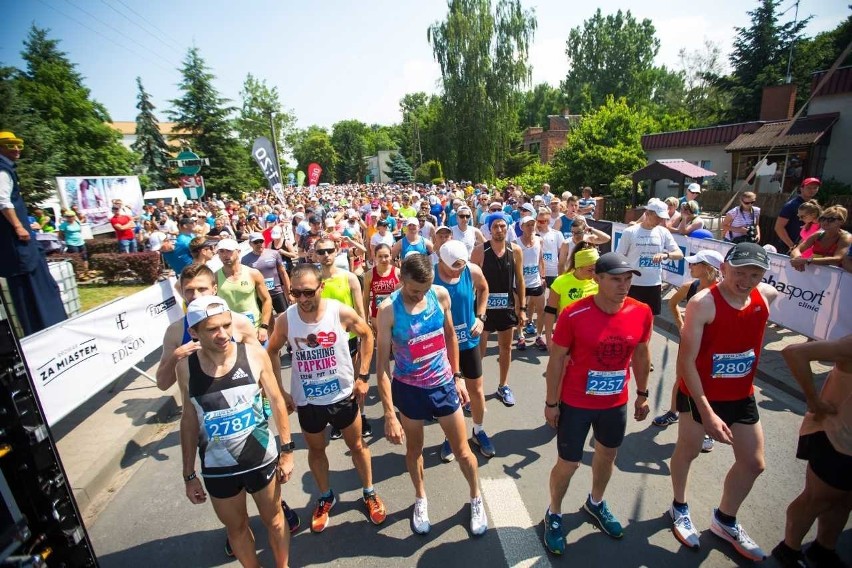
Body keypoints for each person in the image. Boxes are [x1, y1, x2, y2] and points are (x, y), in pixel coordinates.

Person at [668, 242, 779, 561]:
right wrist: (707, 413)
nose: (745, 280)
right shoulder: (703, 303)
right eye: (739, 272)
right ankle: (678, 506)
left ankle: (725, 519)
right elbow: (687, 361)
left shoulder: (766, 296)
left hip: (741, 396)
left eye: (755, 274)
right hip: (700, 394)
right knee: (687, 451)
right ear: (725, 267)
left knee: (754, 463)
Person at [542, 252, 653, 555]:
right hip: (576, 402)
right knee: (569, 463)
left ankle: (596, 503)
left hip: (615, 402)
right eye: (616, 279)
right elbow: (556, 361)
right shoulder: (574, 314)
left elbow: (642, 354)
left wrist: (643, 393)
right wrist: (552, 403)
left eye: (628, 279)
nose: (624, 285)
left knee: (607, 455)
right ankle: (554, 512)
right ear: (597, 278)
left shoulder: (641, 311)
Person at [265, 263, 387, 534]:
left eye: (308, 292)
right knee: (316, 450)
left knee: (356, 446)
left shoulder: (338, 311)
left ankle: (368, 492)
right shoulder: (286, 319)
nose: (302, 299)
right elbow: (271, 351)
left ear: (321, 287)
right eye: (296, 293)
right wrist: (281, 391)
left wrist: (363, 376)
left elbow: (367, 335)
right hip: (308, 400)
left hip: (342, 394)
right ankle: (325, 497)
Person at [176, 296, 294, 568]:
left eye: (226, 325)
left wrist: (287, 451)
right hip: (218, 469)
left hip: (260, 459)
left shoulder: (252, 354)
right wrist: (188, 474)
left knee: (275, 519)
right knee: (237, 529)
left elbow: (276, 400)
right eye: (212, 329)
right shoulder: (186, 367)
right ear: (193, 332)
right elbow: (189, 417)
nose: (223, 334)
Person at [375, 254, 488, 537]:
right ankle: (421, 498)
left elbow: (450, 336)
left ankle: (476, 498)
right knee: (414, 451)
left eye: (424, 290)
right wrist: (389, 413)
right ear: (401, 280)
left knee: (462, 451)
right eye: (414, 290)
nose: (419, 296)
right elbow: (382, 368)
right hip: (410, 390)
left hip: (442, 385)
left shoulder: (438, 295)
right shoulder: (388, 310)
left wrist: (457, 376)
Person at [771, 335, 852, 568]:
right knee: (817, 498)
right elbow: (794, 352)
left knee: (844, 500)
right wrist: (813, 400)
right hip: (835, 436)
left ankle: (823, 549)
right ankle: (789, 548)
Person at [652, 249, 724, 454]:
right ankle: (673, 412)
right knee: (681, 378)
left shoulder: (723, 290)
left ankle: (708, 427)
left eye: (695, 264)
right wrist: (681, 325)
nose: (690, 267)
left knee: (707, 384)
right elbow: (673, 303)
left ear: (708, 268)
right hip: (689, 344)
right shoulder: (689, 286)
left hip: (712, 348)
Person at [0, 131, 66, 335]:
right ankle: (42, 329)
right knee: (27, 289)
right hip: (17, 248)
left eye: (19, 144)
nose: (17, 149)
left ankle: (52, 323)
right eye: (11, 145)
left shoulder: (7, 168)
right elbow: (3, 201)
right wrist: (19, 226)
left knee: (40, 281)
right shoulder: (2, 170)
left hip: (24, 247)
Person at [433, 240, 493, 462]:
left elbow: (484, 288)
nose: (459, 269)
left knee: (476, 390)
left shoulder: (471, 270)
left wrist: (481, 316)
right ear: (442, 261)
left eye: (461, 265)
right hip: (442, 345)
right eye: (454, 266)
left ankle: (478, 430)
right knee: (450, 393)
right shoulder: (431, 276)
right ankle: (451, 436)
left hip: (468, 341)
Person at [315, 237, 370, 439]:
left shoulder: (349, 278)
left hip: (349, 338)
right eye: (321, 252)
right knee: (332, 380)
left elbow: (360, 311)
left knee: (355, 379)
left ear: (337, 250)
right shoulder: (314, 280)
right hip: (323, 341)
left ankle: (361, 416)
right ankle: (338, 420)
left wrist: (365, 335)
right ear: (314, 254)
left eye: (329, 250)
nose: (326, 255)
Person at [471, 215, 526, 407]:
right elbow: (471, 282)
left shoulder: (515, 250)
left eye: (503, 226)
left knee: (505, 349)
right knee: (480, 350)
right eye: (496, 226)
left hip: (507, 307)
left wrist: (523, 309)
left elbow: (519, 280)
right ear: (490, 229)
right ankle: (473, 390)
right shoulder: (480, 251)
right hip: (483, 308)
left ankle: (503, 385)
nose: (500, 229)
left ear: (507, 228)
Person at [615, 198, 683, 317]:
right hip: (632, 284)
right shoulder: (630, 232)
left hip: (654, 284)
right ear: (647, 214)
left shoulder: (663, 232)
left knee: (649, 319)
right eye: (658, 217)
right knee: (629, 318)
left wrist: (666, 255)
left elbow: (679, 254)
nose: (660, 220)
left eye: (662, 218)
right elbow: (619, 257)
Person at [215, 239, 273, 343]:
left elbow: (266, 299)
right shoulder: (215, 277)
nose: (225, 255)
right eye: (221, 251)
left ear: (238, 252)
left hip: (254, 330)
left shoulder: (253, 273)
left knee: (264, 359)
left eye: (229, 251)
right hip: (230, 333)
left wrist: (264, 326)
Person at [542, 245, 599, 347]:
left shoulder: (599, 282)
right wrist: (548, 338)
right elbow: (550, 312)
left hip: (592, 336)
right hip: (567, 336)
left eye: (596, 269)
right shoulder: (561, 282)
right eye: (590, 270)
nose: (594, 273)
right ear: (579, 267)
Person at [516, 215, 546, 351]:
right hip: (520, 283)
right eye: (527, 225)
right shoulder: (515, 243)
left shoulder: (540, 240)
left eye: (532, 224)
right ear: (521, 227)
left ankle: (539, 336)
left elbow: (540, 260)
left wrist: (543, 277)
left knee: (541, 310)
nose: (530, 227)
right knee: (519, 310)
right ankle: (520, 335)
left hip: (536, 282)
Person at [242, 232, 291, 316]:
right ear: (250, 243)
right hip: (260, 295)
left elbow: (283, 273)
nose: (259, 244)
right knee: (268, 320)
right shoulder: (245, 259)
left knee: (284, 317)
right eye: (256, 242)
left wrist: (289, 293)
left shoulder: (274, 254)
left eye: (261, 241)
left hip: (277, 292)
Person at [790, 205, 850, 271]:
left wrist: (807, 260)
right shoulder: (818, 235)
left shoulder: (846, 237)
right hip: (817, 274)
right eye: (822, 219)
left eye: (831, 219)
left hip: (837, 276)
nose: (825, 222)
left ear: (841, 221)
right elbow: (797, 250)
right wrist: (797, 259)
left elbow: (838, 259)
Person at [774, 177, 821, 254]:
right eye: (809, 188)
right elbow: (779, 227)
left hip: (807, 250)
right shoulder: (791, 205)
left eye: (815, 188)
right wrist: (792, 246)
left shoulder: (815, 206)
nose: (812, 190)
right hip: (788, 248)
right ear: (801, 188)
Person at [363, 243, 400, 332]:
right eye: (380, 256)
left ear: (391, 256)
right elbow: (366, 299)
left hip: (395, 315)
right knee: (382, 344)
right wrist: (366, 319)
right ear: (375, 257)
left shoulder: (398, 273)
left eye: (386, 256)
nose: (383, 259)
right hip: (377, 316)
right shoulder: (369, 275)